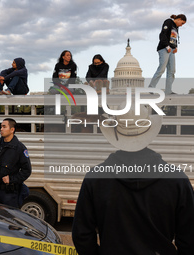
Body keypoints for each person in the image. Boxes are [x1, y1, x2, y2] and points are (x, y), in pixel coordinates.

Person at [72, 103, 194, 254]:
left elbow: (81, 236)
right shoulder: (178, 180)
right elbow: (189, 240)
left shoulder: (94, 178)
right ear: (149, 131)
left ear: (116, 133)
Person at [0, 118, 31, 208]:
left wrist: (12, 179)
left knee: (10, 220)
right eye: (1, 127)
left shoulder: (19, 148)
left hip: (10, 195)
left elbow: (27, 170)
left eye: (4, 127)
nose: (1, 129)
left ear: (12, 130)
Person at [148, 14, 187, 95]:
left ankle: (168, 91)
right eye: (182, 23)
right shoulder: (168, 22)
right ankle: (151, 88)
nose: (182, 25)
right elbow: (162, 35)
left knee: (172, 70)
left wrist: (175, 47)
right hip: (164, 48)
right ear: (179, 19)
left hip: (172, 50)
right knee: (161, 69)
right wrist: (167, 46)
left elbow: (173, 37)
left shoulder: (176, 27)